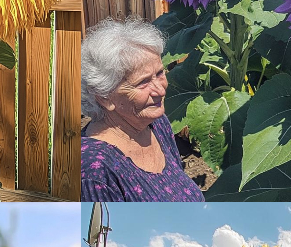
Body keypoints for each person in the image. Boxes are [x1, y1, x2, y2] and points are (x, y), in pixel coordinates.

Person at [81, 18, 205, 201]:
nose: (161, 89)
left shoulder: (155, 124)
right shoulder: (94, 170)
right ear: (104, 97)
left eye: (160, 73)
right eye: (143, 82)